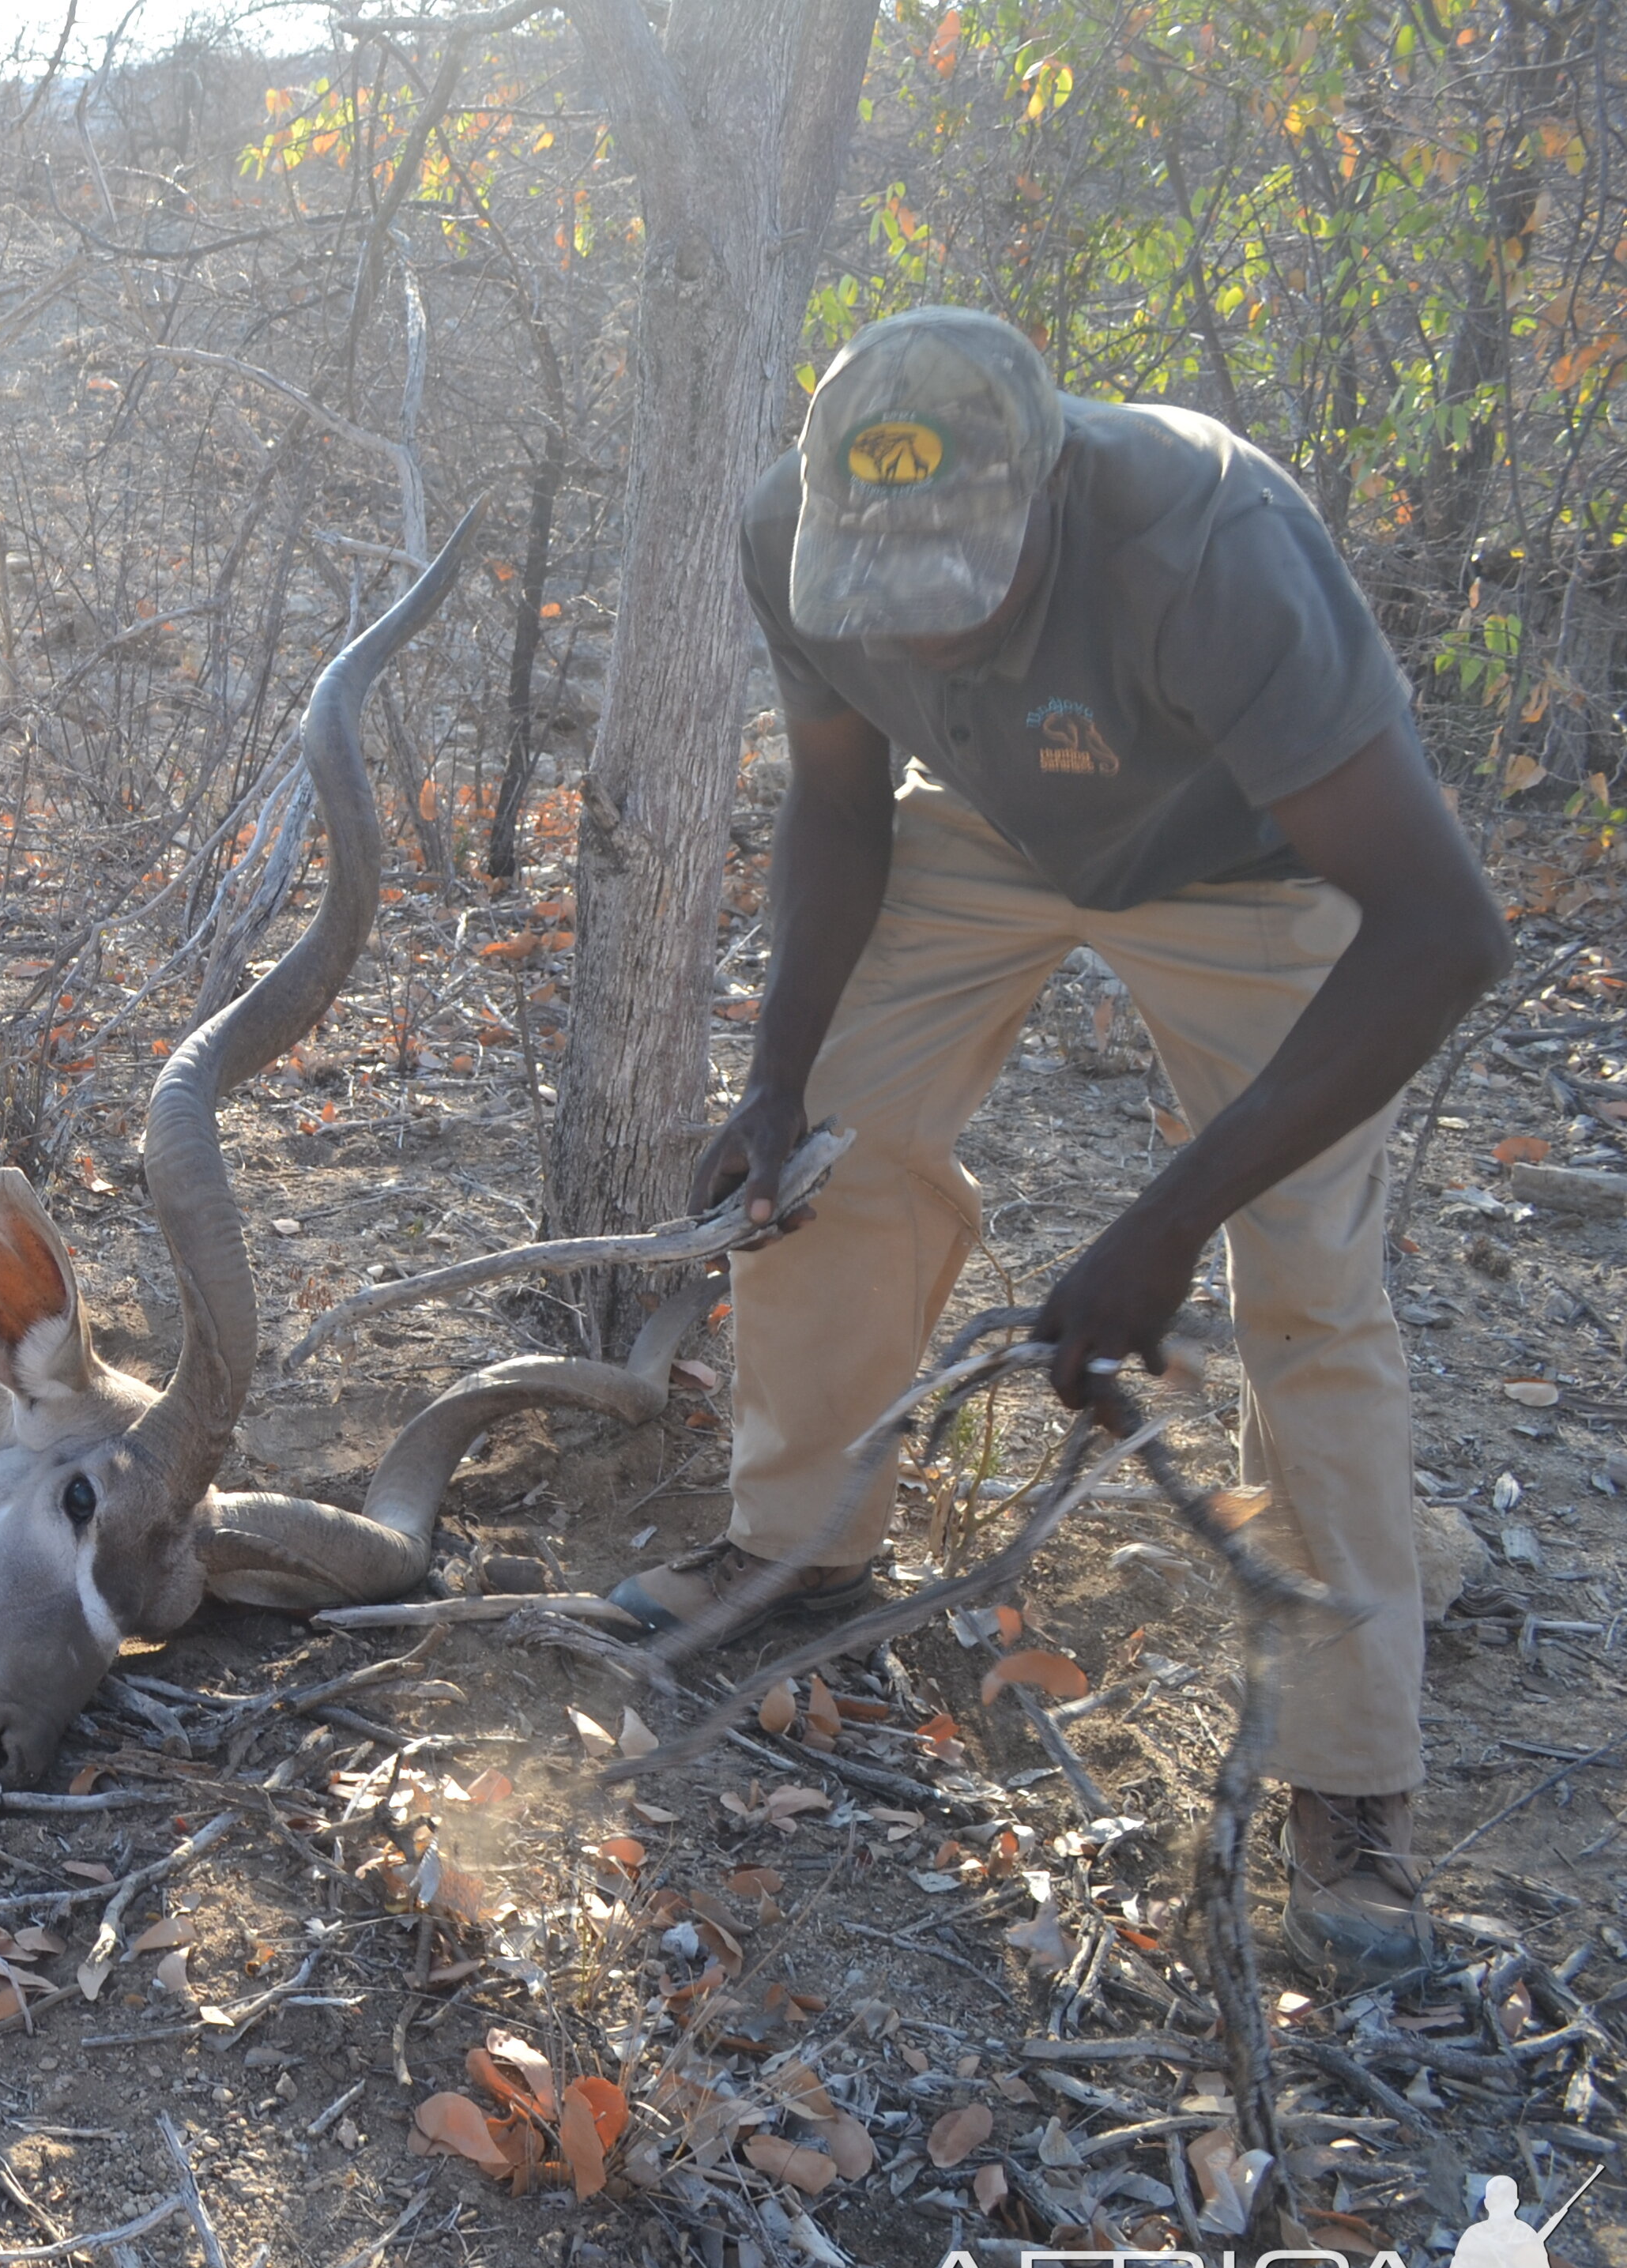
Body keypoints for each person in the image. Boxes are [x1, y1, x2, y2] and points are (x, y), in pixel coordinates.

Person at [606, 306, 1508, 1984]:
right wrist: (778, 1075)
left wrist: (1166, 1220)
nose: (928, 643)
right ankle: (799, 1541)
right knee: (831, 1164)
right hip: (995, 833)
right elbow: (836, 796)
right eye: (892, 600)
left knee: (1308, 1279)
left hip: (1253, 860)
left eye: (967, 593)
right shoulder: (780, 532)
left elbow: (1443, 930)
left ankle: (1353, 1773)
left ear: (1054, 496)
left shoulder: (1209, 543)